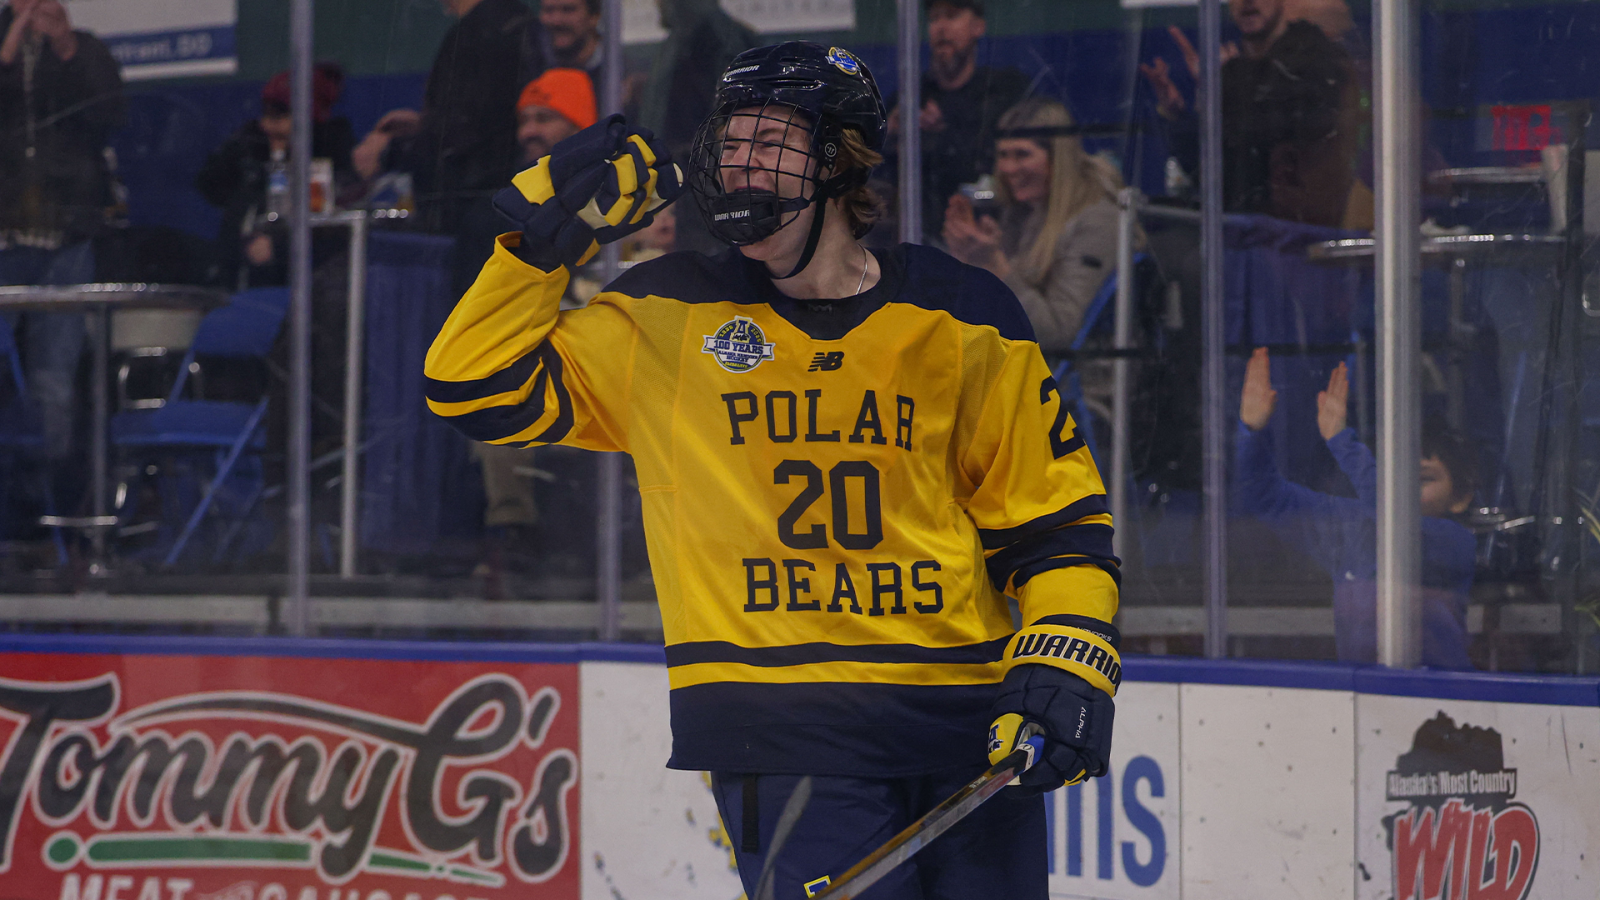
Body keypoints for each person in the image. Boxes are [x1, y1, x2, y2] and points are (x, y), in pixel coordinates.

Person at [426, 42, 1121, 897]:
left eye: (768, 140)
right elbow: (469, 387)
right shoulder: (666, 311)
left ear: (839, 159)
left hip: (967, 723)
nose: (737, 160)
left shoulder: (962, 312)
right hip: (782, 731)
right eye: (730, 140)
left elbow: (1056, 526)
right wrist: (538, 239)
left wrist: (1067, 654)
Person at [1236, 348, 1477, 667]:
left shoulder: (1455, 542)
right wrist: (1253, 432)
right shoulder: (1352, 527)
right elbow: (1264, 495)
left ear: (1461, 498)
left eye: (1421, 480)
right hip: (1365, 704)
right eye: (1395, 477)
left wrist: (1342, 442)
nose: (1402, 490)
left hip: (1442, 707)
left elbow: (1397, 523)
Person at [472, 67, 600, 590]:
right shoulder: (507, 205)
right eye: (525, 119)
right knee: (493, 407)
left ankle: (630, 554)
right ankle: (514, 539)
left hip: (614, 368)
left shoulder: (626, 192)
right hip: (545, 367)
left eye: (545, 117)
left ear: (580, 125)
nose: (530, 130)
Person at [0, 0, 122, 467]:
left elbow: (111, 114)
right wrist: (6, 55)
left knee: (53, 378)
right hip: (5, 238)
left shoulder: (85, 49)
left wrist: (67, 47)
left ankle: (45, 505)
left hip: (65, 237)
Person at [353, 0, 542, 290]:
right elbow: (478, 118)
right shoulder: (508, 24)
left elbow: (468, 134)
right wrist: (423, 125)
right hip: (491, 207)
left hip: (478, 212)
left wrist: (393, 150)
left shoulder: (482, 32)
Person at [1138, 0, 1360, 226]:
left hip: (1301, 236)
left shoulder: (1314, 57)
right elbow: (1217, 179)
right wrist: (1178, 115)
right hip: (1247, 238)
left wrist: (1228, 83)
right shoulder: (1238, 74)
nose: (1247, 2)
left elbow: (1275, 144)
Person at [942, 98, 1132, 361]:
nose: (1008, 168)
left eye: (1022, 154)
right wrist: (968, 260)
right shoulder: (1022, 210)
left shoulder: (1098, 221)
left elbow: (1059, 334)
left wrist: (995, 267)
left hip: (1072, 386)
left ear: (1059, 157)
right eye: (1003, 155)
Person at [195, 64, 355, 288]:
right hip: (243, 285)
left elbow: (327, 231)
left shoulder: (329, 166)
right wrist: (238, 148)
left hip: (298, 290)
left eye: (279, 116)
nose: (267, 125)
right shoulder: (255, 159)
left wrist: (279, 247)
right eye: (265, 114)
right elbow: (210, 186)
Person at [887, 0, 1026, 239]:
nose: (941, 27)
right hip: (922, 233)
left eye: (952, 16)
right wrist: (890, 138)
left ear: (978, 26)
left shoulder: (1003, 93)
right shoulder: (909, 99)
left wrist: (944, 134)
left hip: (993, 230)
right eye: (934, 18)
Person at [538, 0, 601, 80]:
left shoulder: (617, 70)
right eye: (549, 10)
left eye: (568, 10)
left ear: (594, 16)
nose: (556, 21)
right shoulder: (529, 66)